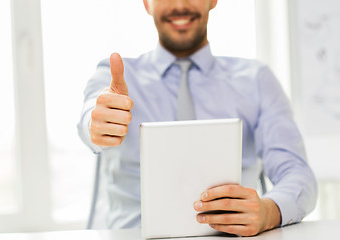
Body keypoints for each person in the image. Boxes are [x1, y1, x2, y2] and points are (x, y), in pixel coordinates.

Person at [78, 0, 317, 236]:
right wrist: (97, 122)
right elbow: (90, 114)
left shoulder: (257, 80)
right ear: (146, 4)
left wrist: (270, 211)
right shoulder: (115, 77)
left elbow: (297, 173)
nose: (180, 4)